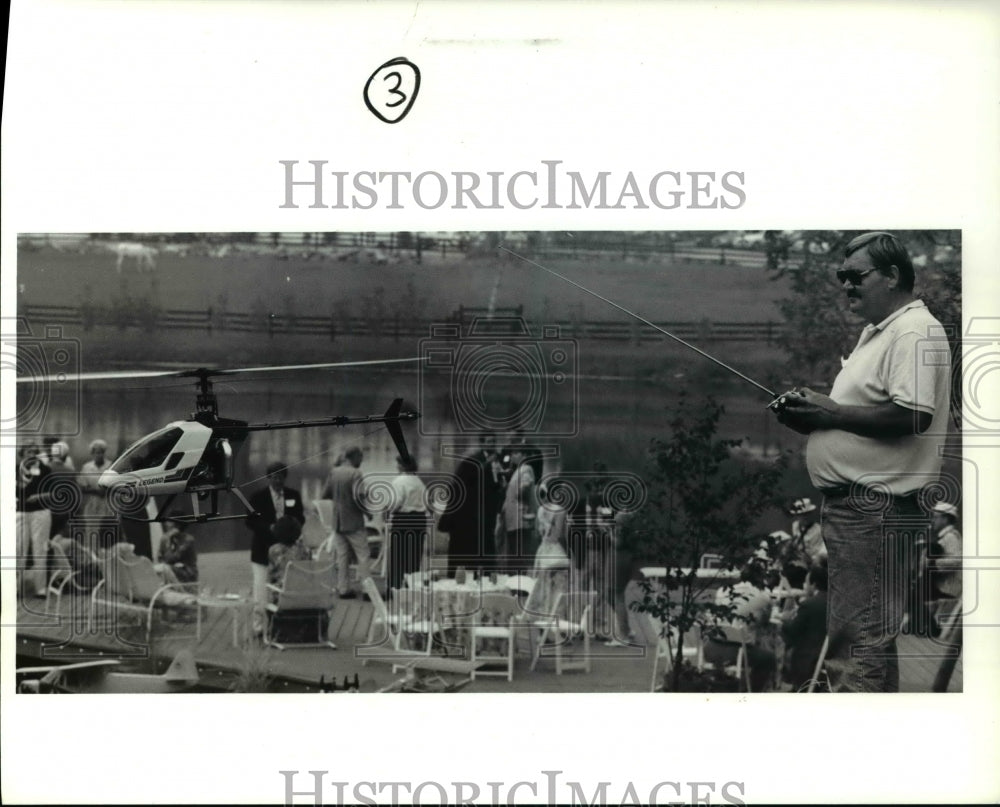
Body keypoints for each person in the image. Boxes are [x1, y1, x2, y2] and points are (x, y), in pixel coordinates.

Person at [773, 232, 952, 692]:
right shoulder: (883, 331)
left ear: (892, 275)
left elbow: (913, 413)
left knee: (856, 646)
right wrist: (813, 421)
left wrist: (828, 411)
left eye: (857, 276)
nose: (847, 286)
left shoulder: (913, 329)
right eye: (842, 278)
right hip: (865, 510)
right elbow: (868, 414)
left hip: (875, 511)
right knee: (869, 639)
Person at [245, 461, 304, 631]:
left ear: (285, 478)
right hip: (262, 550)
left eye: (281, 478)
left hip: (286, 551)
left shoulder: (294, 495)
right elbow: (249, 521)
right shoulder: (257, 497)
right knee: (260, 588)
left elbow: (301, 517)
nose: (278, 481)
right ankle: (258, 627)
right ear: (268, 478)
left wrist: (292, 526)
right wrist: (269, 528)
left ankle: (284, 626)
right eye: (274, 478)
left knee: (286, 587)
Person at [438, 433, 505, 577]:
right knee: (465, 547)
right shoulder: (471, 461)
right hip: (468, 514)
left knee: (485, 546)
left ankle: (486, 577)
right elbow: (460, 484)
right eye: (489, 442)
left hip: (488, 513)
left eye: (494, 441)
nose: (492, 445)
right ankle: (458, 576)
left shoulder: (499, 461)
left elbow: (496, 486)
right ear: (482, 444)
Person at [325, 446, 370, 599]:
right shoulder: (356, 473)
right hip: (354, 522)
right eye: (361, 458)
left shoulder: (334, 472)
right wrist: (367, 513)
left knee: (342, 556)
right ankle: (367, 590)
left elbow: (326, 494)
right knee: (363, 555)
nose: (362, 461)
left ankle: (343, 589)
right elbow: (358, 497)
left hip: (337, 522)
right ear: (355, 457)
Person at [928, 501, 962, 691]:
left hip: (947, 588)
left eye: (935, 516)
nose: (932, 520)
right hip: (941, 586)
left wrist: (932, 565)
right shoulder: (944, 536)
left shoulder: (950, 537)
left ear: (945, 519)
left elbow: (957, 560)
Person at [781, 564, 829, 691]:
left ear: (813, 584)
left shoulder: (809, 604)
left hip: (809, 658)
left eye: (806, 582)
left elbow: (792, 632)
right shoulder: (835, 601)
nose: (805, 585)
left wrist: (785, 620)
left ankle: (784, 680)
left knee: (784, 642)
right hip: (830, 655)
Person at [385, 454, 429, 594]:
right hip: (419, 519)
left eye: (398, 464)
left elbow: (396, 502)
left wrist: (388, 510)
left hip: (403, 519)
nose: (397, 467)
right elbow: (428, 503)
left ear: (403, 466)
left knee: (398, 553)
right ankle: (412, 586)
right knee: (414, 554)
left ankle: (395, 586)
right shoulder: (419, 482)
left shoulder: (399, 481)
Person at [496, 438, 539, 574]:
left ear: (524, 455)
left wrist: (522, 487)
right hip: (514, 520)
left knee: (517, 556)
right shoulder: (518, 470)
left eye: (516, 453)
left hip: (520, 520)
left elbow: (524, 488)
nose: (513, 456)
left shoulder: (526, 469)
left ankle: (518, 586)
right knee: (514, 555)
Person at [16, 443, 53, 597]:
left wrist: (37, 497)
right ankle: (15, 588)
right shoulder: (16, 469)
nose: (30, 454)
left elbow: (52, 493)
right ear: (22, 454)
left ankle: (41, 589)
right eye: (27, 452)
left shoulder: (45, 470)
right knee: (18, 550)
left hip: (40, 513)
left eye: (33, 451)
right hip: (20, 513)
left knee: (40, 550)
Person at [267, 514, 312, 589]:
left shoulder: (274, 550)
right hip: (303, 589)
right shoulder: (305, 550)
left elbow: (271, 575)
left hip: (283, 591)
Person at [78, 439, 116, 519]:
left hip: (107, 502)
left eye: (101, 452)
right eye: (97, 453)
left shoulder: (110, 466)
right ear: (92, 453)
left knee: (106, 527)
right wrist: (95, 491)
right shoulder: (87, 467)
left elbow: (115, 485)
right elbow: (82, 487)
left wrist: (106, 491)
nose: (99, 455)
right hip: (92, 502)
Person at [154, 516, 198, 584]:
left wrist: (168, 540)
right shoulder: (166, 538)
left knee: (163, 568)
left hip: (188, 574)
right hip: (171, 571)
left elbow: (172, 558)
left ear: (177, 525)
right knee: (154, 569)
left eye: (170, 522)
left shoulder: (187, 540)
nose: (166, 524)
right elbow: (160, 557)